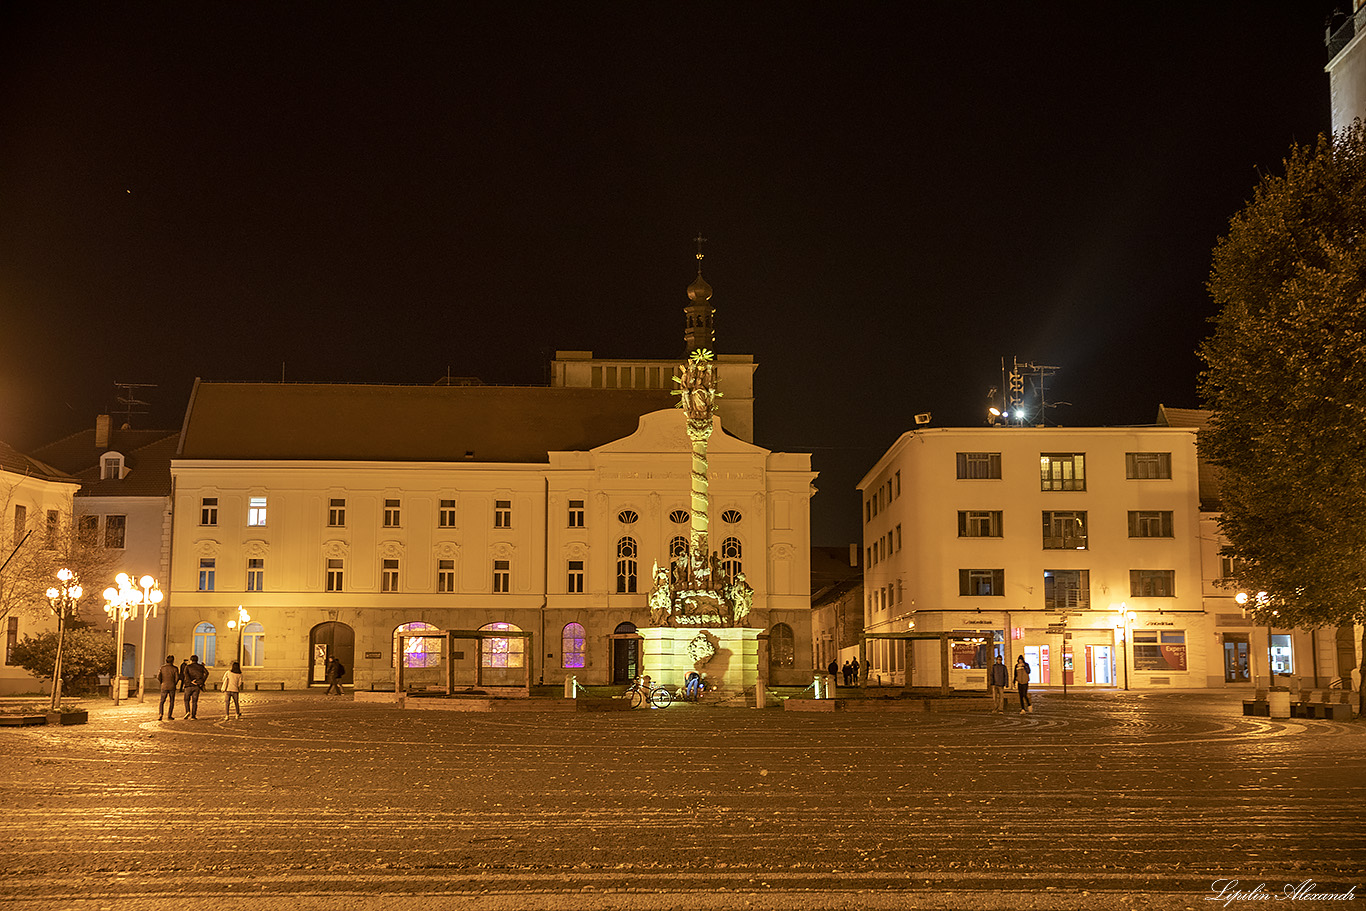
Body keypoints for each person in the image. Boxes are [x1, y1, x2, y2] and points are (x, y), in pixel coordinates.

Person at [182, 655, 209, 719]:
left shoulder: (188, 667)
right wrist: (201, 681)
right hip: (197, 686)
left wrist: (190, 681)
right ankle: (193, 715)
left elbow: (185, 675)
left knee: (186, 700)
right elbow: (207, 673)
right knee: (194, 701)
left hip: (188, 686)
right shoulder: (200, 667)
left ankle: (187, 711)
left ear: (191, 660)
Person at [157, 655, 178, 720]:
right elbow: (177, 678)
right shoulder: (175, 668)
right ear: (173, 661)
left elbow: (158, 676)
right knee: (171, 701)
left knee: (162, 701)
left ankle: (160, 714)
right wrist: (174, 683)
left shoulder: (162, 668)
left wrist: (161, 682)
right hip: (172, 686)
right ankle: (169, 715)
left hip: (164, 686)